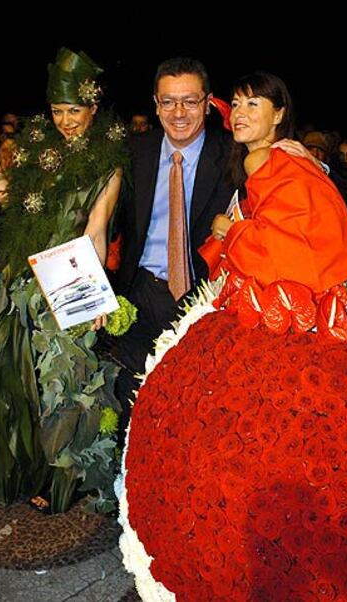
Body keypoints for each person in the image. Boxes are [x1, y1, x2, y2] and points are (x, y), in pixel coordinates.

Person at [118, 72, 347, 601]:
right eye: (235, 103)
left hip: (282, 313)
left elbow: (304, 240)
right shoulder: (267, 160)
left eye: (254, 103)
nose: (239, 111)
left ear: (280, 113)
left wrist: (234, 233)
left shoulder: (276, 160)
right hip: (256, 301)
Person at [0, 48, 130, 513]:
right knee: (18, 381)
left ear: (93, 108)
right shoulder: (40, 154)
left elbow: (96, 230)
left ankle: (61, 482)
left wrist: (92, 300)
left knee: (62, 385)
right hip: (19, 287)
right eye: (58, 110)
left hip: (65, 288)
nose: (66, 120)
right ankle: (23, 469)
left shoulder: (107, 165)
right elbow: (11, 201)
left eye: (75, 110)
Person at [113, 57, 235, 427]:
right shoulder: (134, 152)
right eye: (168, 101)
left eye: (190, 101)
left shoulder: (233, 154)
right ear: (155, 104)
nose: (179, 112)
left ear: (209, 103)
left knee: (190, 410)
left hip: (201, 299)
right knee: (129, 400)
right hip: (140, 294)